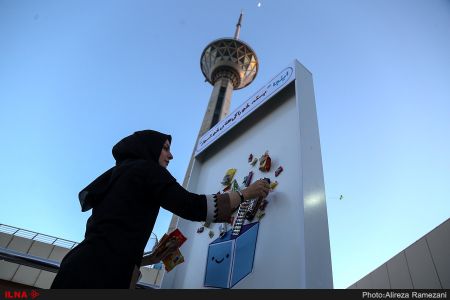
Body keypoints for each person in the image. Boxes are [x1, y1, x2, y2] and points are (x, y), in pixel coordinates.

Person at [51, 130, 270, 288]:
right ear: (149, 148)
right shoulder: (146, 170)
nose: (171, 155)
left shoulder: (119, 174)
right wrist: (243, 194)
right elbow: (190, 205)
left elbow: (113, 238)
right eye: (165, 148)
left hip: (77, 269)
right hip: (98, 276)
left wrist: (149, 259)